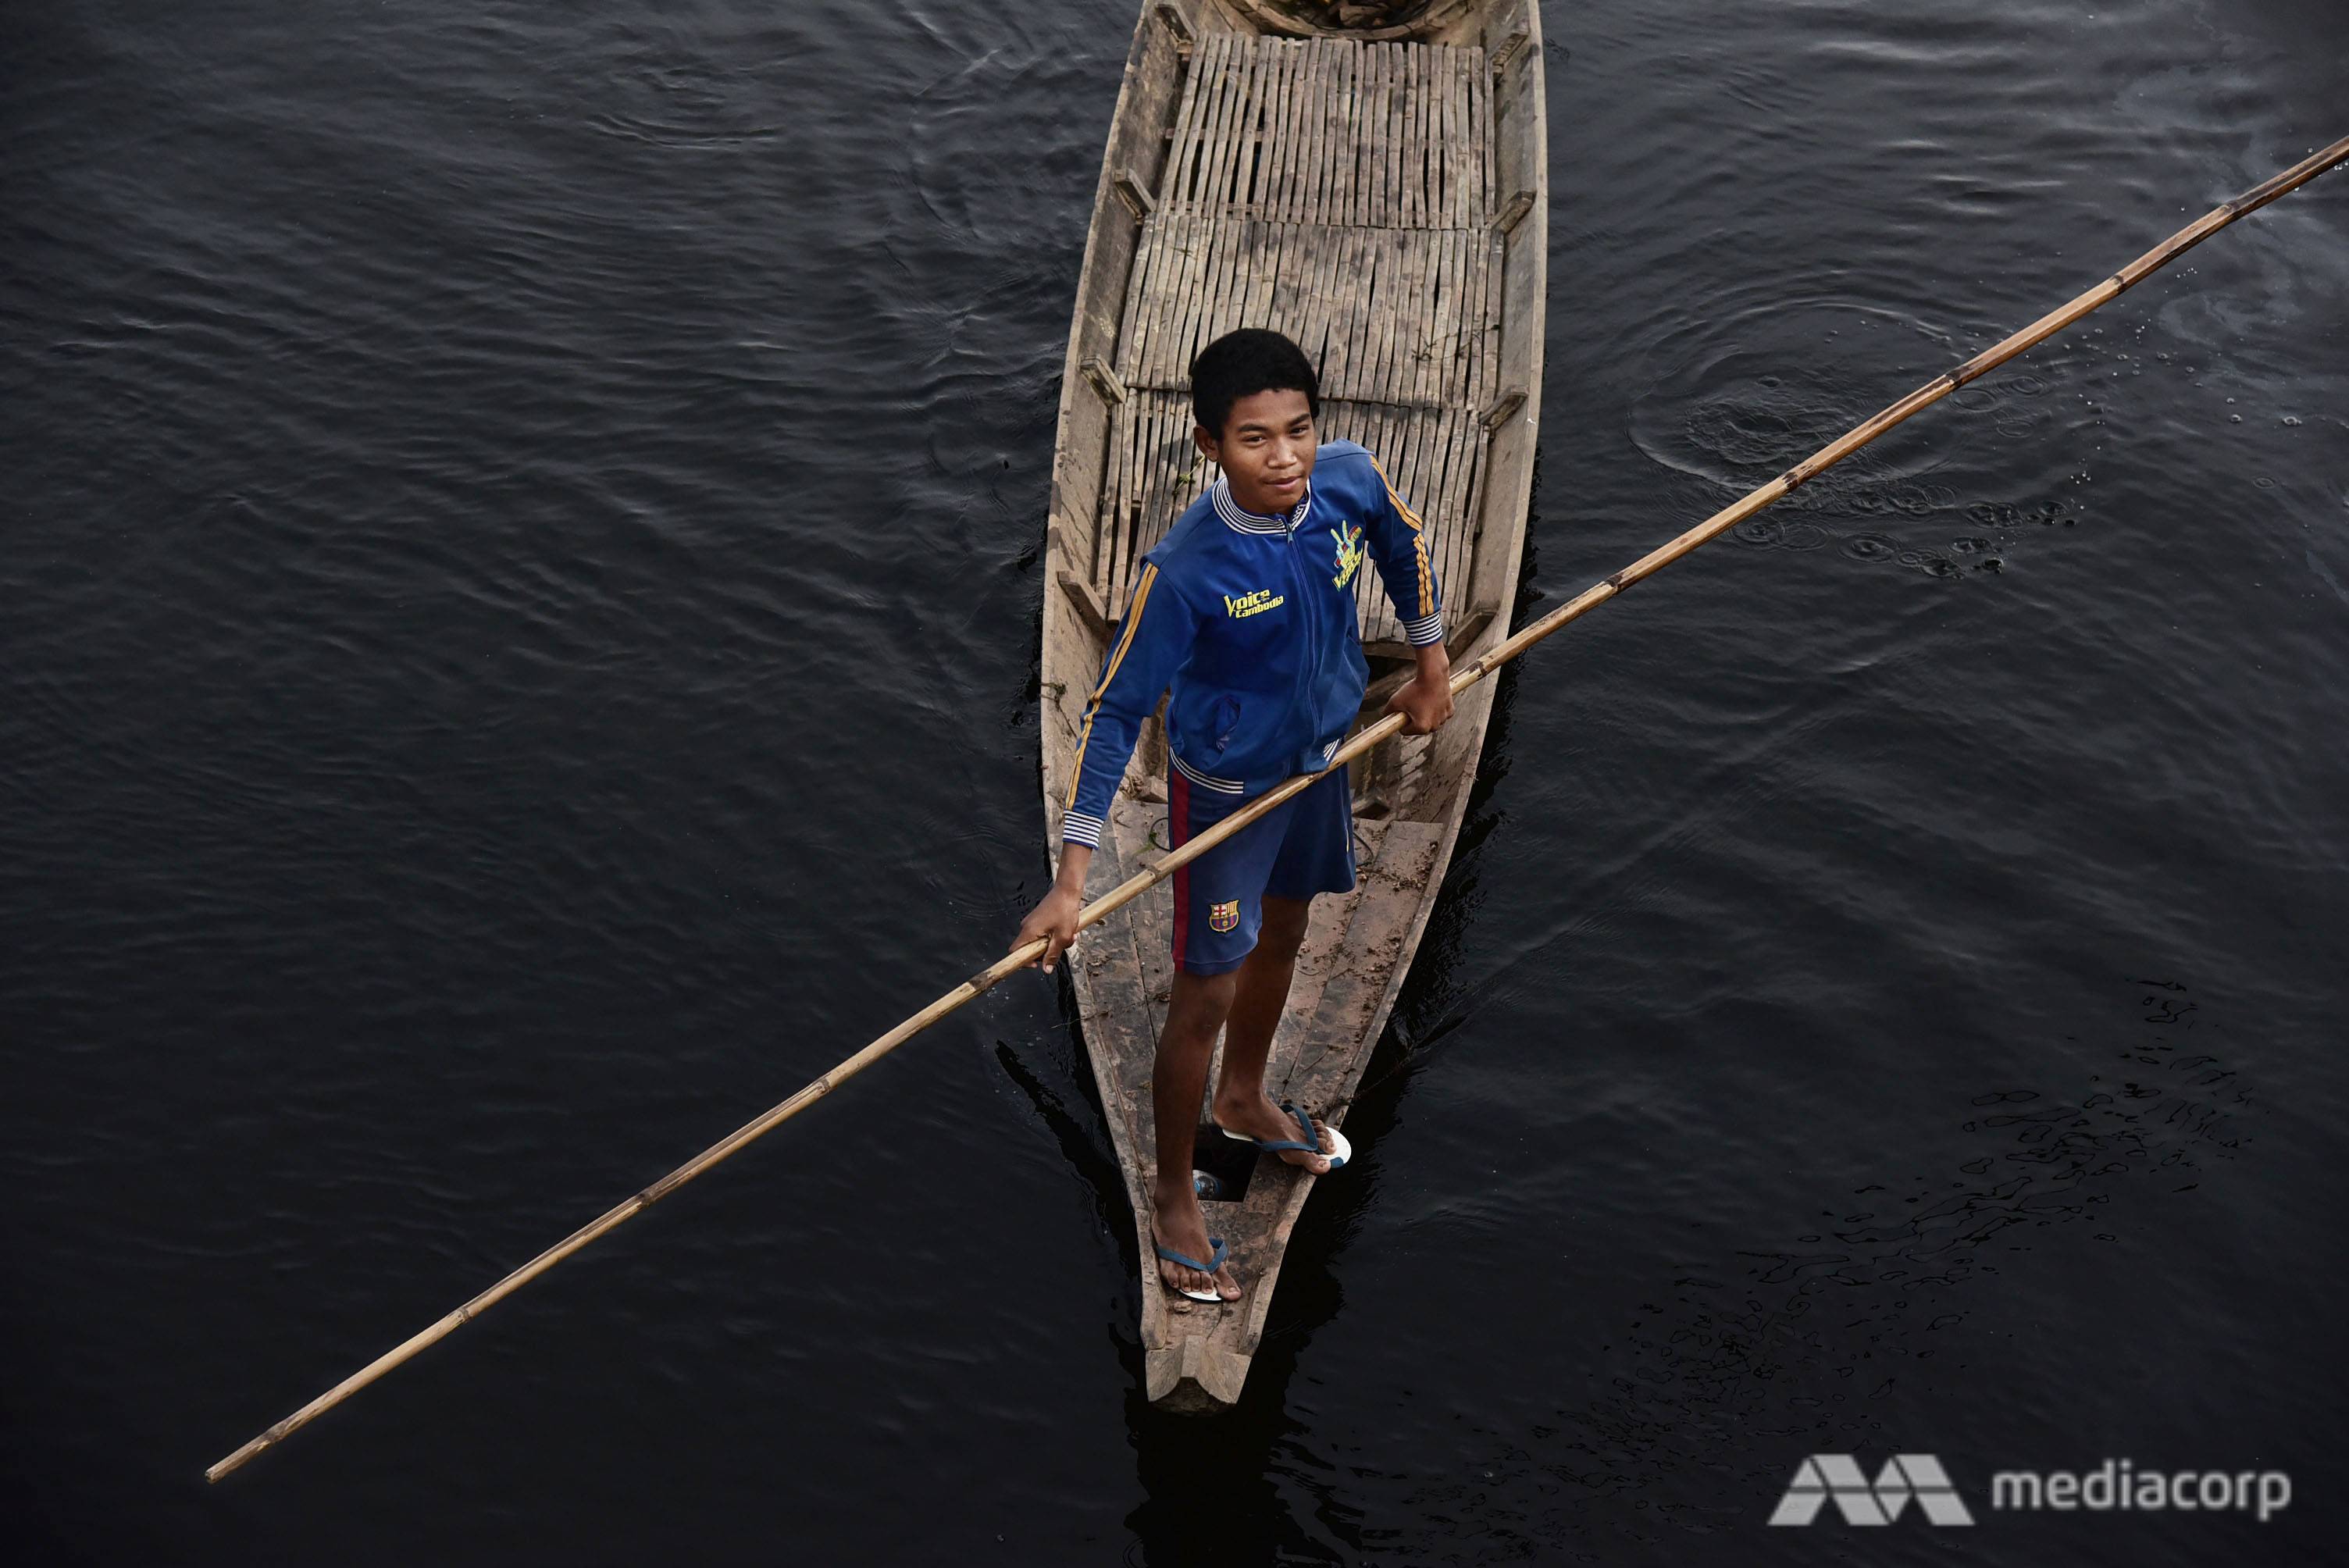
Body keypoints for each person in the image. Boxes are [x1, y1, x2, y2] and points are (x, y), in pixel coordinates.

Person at [1013, 327, 1456, 1303]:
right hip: (1225, 794)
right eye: (1255, 439)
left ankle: (1245, 1097)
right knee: (1201, 993)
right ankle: (1175, 1192)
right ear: (1210, 444)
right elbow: (1119, 708)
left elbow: (1403, 534)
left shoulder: (1345, 480)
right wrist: (1072, 878)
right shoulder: (1185, 569)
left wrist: (1428, 664)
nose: (1285, 457)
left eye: (1297, 430)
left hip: (1318, 768)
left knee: (1289, 930)